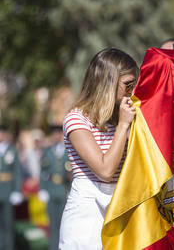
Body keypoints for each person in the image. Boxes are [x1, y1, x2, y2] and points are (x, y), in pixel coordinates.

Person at [59, 48, 138, 249]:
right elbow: (105, 170)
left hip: (121, 206)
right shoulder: (76, 119)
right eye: (127, 85)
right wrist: (123, 126)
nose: (132, 91)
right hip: (88, 212)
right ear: (108, 83)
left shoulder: (123, 117)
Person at [38, 125, 71, 250]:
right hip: (51, 189)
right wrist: (42, 189)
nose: (56, 136)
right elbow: (43, 172)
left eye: (58, 133)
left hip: (63, 190)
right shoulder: (47, 151)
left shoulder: (68, 150)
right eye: (54, 133)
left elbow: (72, 173)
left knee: (64, 224)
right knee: (52, 224)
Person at [0, 124, 23, 250]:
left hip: (8, 191)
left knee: (8, 224)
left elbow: (17, 171)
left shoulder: (11, 150)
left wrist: (16, 191)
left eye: (2, 133)